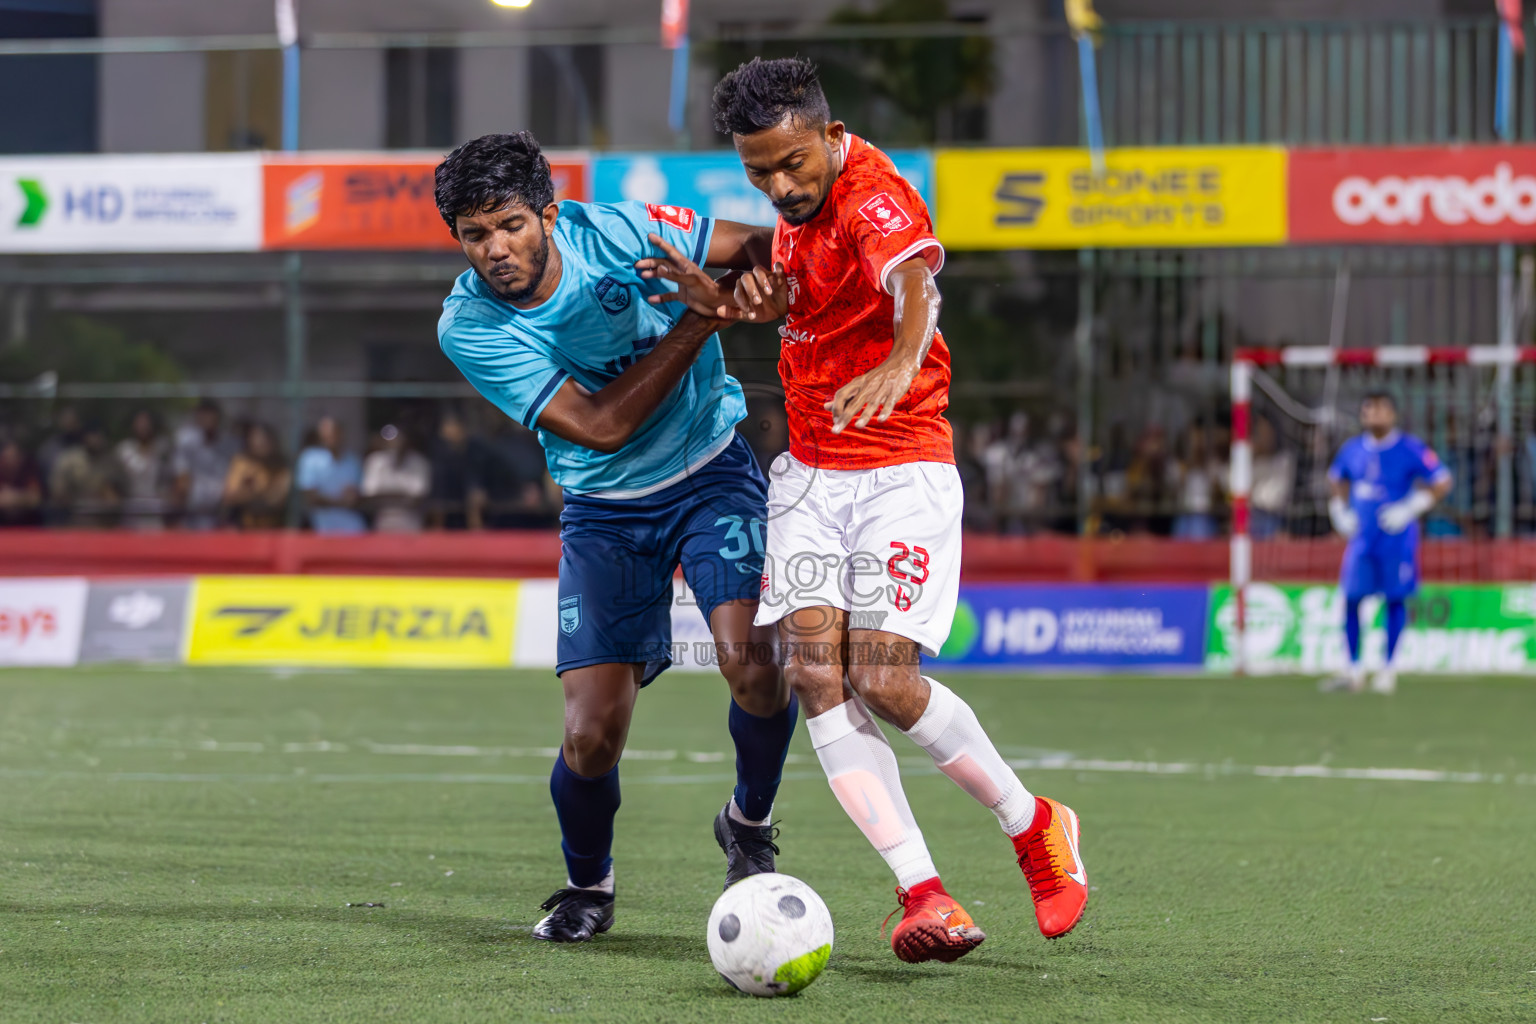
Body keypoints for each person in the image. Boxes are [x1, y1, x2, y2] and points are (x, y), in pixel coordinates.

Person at [647, 57, 1088, 963]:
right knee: (815, 676)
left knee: (883, 682)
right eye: (759, 171)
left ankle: (1035, 823)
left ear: (829, 132)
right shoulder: (794, 208)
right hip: (809, 475)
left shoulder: (873, 192)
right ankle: (922, 894)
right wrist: (736, 306)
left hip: (899, 469)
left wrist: (902, 355)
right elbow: (808, 302)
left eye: (792, 165)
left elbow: (912, 284)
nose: (779, 185)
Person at [433, 131, 798, 942]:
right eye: (474, 234)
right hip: (606, 511)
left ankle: (747, 822)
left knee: (756, 671)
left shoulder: (624, 232)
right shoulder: (469, 327)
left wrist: (756, 286)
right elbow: (601, 426)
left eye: (511, 225)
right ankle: (587, 886)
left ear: (551, 216)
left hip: (712, 471)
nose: (495, 249)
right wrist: (704, 320)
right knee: (591, 735)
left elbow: (764, 246)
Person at [1321, 392, 1452, 695]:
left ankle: (1388, 668)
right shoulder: (1352, 450)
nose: (1374, 415)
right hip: (1362, 540)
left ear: (1392, 414)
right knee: (1352, 599)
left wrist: (1413, 506)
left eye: (1381, 409)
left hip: (1396, 540)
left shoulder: (1409, 448)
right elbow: (1336, 479)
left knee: (1395, 600)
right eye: (1369, 409)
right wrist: (1339, 510)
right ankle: (1353, 669)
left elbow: (1442, 479)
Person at [173, 400, 239, 530]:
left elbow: (236, 474)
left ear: (218, 418)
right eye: (203, 415)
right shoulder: (186, 440)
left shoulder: (232, 443)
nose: (207, 420)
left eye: (210, 415)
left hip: (222, 510)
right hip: (193, 510)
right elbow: (182, 475)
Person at [296, 416, 366, 534]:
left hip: (352, 528)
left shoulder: (353, 461)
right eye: (325, 434)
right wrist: (341, 502)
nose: (329, 438)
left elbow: (356, 497)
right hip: (320, 527)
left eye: (333, 433)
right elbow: (311, 498)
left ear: (341, 434)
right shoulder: (310, 458)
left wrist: (351, 498)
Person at [49, 422, 121, 527]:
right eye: (92, 435)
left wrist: (110, 494)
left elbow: (118, 495)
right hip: (75, 519)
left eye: (99, 436)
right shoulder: (70, 459)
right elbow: (58, 491)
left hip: (104, 522)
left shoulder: (112, 462)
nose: (95, 440)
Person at [361, 424, 431, 533]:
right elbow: (370, 495)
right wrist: (402, 495)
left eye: (399, 439)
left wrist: (386, 495)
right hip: (383, 521)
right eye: (391, 439)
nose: (395, 443)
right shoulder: (375, 461)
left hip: (410, 522)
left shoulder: (419, 463)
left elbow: (417, 498)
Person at [222, 422, 292, 529]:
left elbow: (277, 500)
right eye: (256, 439)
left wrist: (252, 492)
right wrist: (259, 493)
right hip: (246, 526)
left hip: (273, 527)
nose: (260, 443)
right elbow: (230, 496)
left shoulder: (280, 466)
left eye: (265, 439)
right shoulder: (242, 462)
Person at [115, 409, 172, 530]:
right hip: (131, 509)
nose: (143, 426)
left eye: (146, 423)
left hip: (156, 509)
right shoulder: (124, 450)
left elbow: (168, 480)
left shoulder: (163, 449)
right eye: (139, 423)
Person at [0, 438, 43, 527]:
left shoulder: (29, 470)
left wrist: (14, 497)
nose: (10, 461)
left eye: (13, 457)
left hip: (26, 521)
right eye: (6, 457)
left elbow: (35, 499)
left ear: (20, 457)